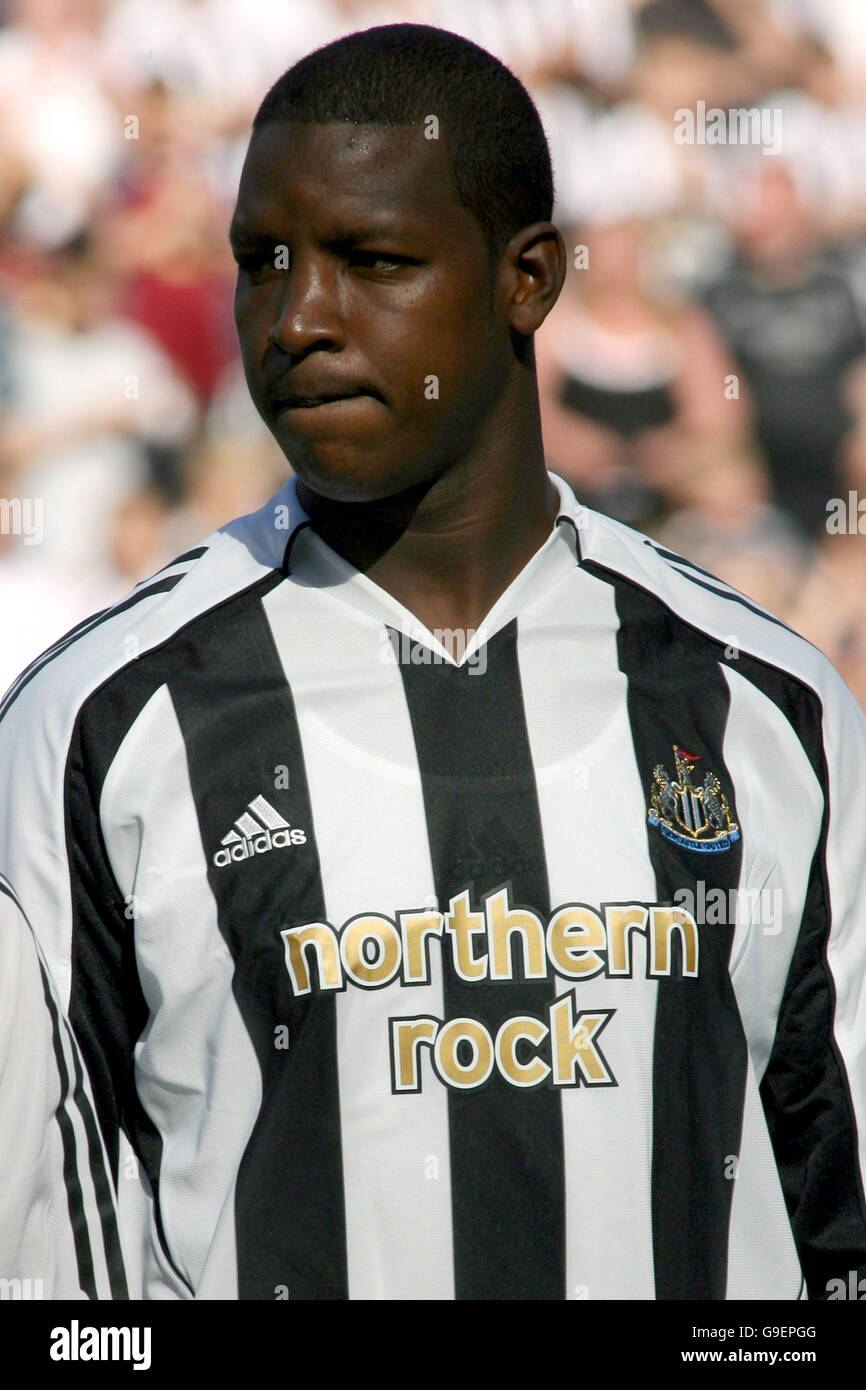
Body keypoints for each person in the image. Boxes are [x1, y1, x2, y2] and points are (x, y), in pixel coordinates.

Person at [1, 22, 865, 1302]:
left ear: (528, 280)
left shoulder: (764, 708)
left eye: (372, 260)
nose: (298, 318)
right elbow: (48, 1288)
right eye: (261, 263)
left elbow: (833, 1221)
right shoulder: (94, 722)